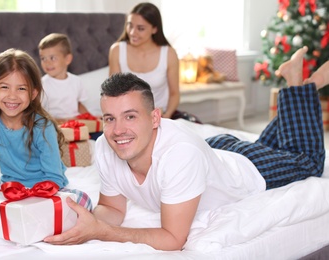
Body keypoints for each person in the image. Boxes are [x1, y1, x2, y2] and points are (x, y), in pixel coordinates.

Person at [44, 46, 325, 250]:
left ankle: (299, 84)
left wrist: (103, 233)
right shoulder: (106, 145)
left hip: (247, 167)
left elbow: (173, 239)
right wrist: (88, 223)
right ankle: (299, 91)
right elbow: (111, 208)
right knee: (272, 146)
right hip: (212, 152)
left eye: (130, 116)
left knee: (306, 161)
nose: (118, 130)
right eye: (109, 118)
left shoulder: (179, 154)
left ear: (155, 118)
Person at [0, 48, 92, 212]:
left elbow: (54, 177)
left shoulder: (42, 126)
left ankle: (19, 213)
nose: (12, 96)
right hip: (9, 188)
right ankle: (7, 213)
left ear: (33, 93)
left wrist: (32, 200)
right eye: (4, 87)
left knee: (83, 202)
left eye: (21, 89)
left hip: (44, 190)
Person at [109, 2, 201, 123]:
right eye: (130, 25)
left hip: (162, 115)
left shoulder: (169, 53)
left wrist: (166, 117)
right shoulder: (117, 50)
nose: (132, 32)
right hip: (128, 117)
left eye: (140, 28)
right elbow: (114, 92)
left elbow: (174, 94)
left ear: (154, 29)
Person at [38, 33, 90, 123]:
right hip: (54, 125)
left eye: (52, 58)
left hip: (75, 123)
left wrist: (91, 118)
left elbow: (78, 105)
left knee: (100, 133)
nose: (47, 63)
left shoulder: (76, 81)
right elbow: (39, 112)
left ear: (67, 59)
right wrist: (59, 121)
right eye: (43, 59)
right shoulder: (42, 84)